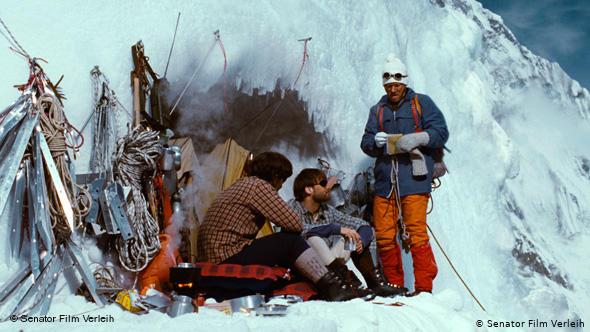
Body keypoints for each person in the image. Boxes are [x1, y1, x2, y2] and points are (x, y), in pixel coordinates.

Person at [197, 152, 356, 301]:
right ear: (275, 176)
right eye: (282, 180)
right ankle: (332, 287)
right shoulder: (258, 187)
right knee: (290, 241)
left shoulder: (243, 184)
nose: (280, 187)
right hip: (226, 253)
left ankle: (328, 281)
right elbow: (294, 223)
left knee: (286, 241)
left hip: (218, 251)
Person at [360, 54, 449, 295]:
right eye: (389, 84)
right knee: (385, 236)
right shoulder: (377, 110)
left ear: (405, 82)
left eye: (397, 83)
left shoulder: (422, 103)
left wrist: (419, 138)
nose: (393, 88)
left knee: (416, 232)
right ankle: (394, 286)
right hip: (385, 182)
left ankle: (423, 288)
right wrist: (375, 142)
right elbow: (366, 143)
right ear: (384, 85)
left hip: (414, 180)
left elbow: (440, 132)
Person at [289, 168, 405, 297]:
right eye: (323, 183)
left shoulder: (328, 210)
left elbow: (362, 224)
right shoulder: (292, 208)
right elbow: (302, 229)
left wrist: (361, 239)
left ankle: (375, 284)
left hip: (330, 268)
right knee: (313, 238)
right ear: (308, 189)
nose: (328, 187)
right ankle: (346, 280)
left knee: (355, 235)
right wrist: (335, 228)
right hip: (307, 268)